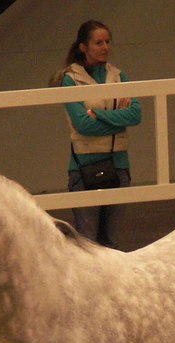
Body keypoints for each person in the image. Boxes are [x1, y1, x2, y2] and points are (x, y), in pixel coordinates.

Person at [55, 20, 142, 248]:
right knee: (88, 243)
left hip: (119, 166)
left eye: (107, 42)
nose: (105, 47)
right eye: (98, 43)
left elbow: (135, 114)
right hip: (84, 168)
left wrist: (99, 115)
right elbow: (83, 125)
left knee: (111, 242)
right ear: (83, 47)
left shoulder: (119, 76)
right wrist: (118, 120)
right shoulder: (70, 79)